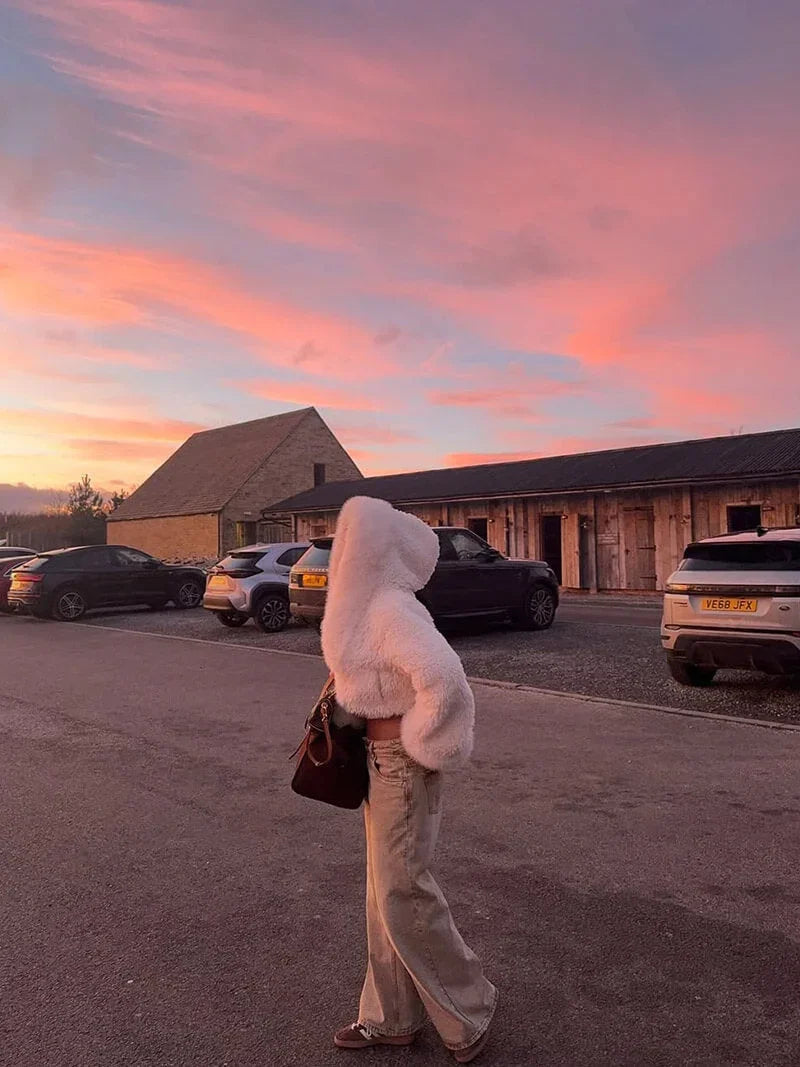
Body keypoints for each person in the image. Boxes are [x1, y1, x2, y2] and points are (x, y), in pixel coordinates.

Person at [320, 496, 497, 1063]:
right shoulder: (368, 606)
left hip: (401, 762)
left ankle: (469, 1008)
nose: (345, 552)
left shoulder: (391, 609)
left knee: (404, 892)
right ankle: (390, 1017)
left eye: (354, 542)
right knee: (385, 894)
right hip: (379, 761)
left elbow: (445, 679)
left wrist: (420, 743)